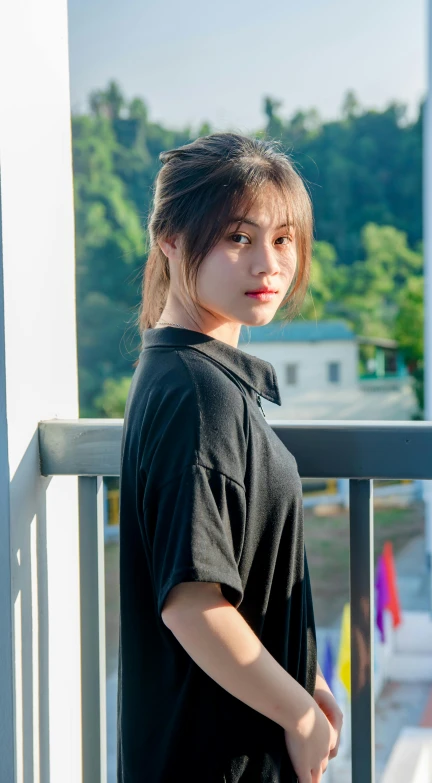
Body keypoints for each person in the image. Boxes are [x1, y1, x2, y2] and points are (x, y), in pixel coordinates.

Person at [117, 132, 343, 783]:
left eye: (283, 239)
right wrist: (300, 712)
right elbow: (193, 603)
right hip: (217, 757)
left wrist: (308, 676)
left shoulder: (184, 373)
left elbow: (240, 568)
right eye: (238, 238)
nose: (268, 264)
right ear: (171, 238)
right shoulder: (197, 393)